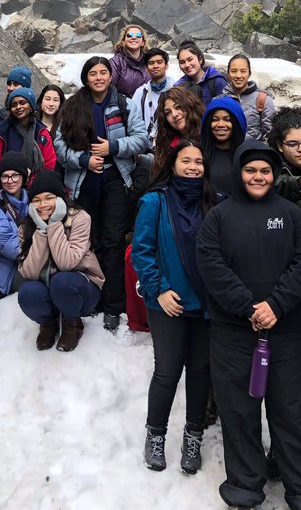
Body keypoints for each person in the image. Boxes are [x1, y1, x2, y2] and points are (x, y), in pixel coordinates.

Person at [196, 141, 301, 510]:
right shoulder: (218, 217)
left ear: (274, 175)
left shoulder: (291, 215)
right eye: (251, 170)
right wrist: (249, 307)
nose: (258, 176)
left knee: (295, 412)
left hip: (287, 333)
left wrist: (276, 305)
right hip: (233, 333)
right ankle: (245, 484)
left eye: (265, 171)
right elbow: (211, 265)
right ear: (240, 173)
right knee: (238, 412)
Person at [131, 141, 217, 475]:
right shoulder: (155, 201)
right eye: (186, 161)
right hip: (167, 302)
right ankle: (156, 435)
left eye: (199, 161)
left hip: (204, 303)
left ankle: (193, 435)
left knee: (200, 373)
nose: (193, 167)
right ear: (173, 164)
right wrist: (160, 290)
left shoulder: (214, 202)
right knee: (167, 371)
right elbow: (142, 251)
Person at [54, 56, 148, 330]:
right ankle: (91, 299)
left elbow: (142, 138)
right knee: (86, 242)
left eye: (103, 72)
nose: (98, 77)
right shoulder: (72, 107)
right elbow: (60, 147)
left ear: (110, 76)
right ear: (86, 78)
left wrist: (113, 148)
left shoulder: (124, 104)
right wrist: (83, 160)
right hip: (83, 182)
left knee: (113, 241)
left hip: (117, 180)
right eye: (93, 73)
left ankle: (113, 305)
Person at [16, 169, 104, 352]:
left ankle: (73, 324)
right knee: (27, 292)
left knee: (62, 281)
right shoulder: (27, 227)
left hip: (81, 287)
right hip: (47, 287)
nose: (43, 204)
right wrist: (41, 231)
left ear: (60, 198)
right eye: (36, 200)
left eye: (49, 198)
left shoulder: (80, 218)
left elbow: (67, 263)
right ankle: (49, 324)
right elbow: (29, 272)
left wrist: (55, 224)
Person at [0, 87, 56, 198]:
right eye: (14, 105)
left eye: (22, 103)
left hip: (34, 196)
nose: (18, 107)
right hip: (1, 196)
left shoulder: (42, 133)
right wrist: (5, 196)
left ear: (31, 106)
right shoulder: (1, 133)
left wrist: (31, 193)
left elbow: (48, 165)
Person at [0, 151, 30, 297]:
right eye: (5, 176)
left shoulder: (33, 202)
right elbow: (10, 246)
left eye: (15, 175)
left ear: (23, 177)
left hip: (26, 264)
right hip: (2, 274)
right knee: (37, 287)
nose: (10, 180)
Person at [268, 107, 301, 213]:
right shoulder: (271, 169)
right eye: (293, 144)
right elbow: (278, 186)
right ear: (280, 146)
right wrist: (300, 183)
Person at [223, 53, 278, 140]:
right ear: (228, 73)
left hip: (254, 151)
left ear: (249, 73)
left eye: (243, 71)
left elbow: (270, 134)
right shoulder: (220, 100)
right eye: (234, 71)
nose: (238, 76)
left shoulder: (263, 99)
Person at [200, 95, 246, 198]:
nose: (220, 124)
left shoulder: (246, 157)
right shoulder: (199, 156)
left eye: (227, 119)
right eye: (215, 119)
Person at [153, 86, 205, 171]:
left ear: (189, 105)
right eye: (168, 113)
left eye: (178, 107)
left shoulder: (206, 134)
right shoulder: (168, 145)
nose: (174, 114)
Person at [175, 40, 227, 104]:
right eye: (182, 62)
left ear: (200, 59)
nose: (187, 65)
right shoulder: (179, 87)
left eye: (190, 59)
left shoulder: (217, 82)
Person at [110, 25, 151, 96]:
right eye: (129, 35)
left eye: (138, 35)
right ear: (123, 42)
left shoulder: (150, 62)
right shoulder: (115, 63)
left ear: (143, 42)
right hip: (124, 106)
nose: (134, 37)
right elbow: (110, 90)